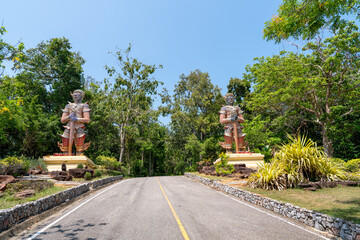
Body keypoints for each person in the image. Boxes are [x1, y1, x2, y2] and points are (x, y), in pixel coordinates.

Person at [58, 89, 91, 155]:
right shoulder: (68, 106)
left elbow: (87, 119)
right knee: (65, 146)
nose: (75, 96)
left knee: (79, 148)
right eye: (74, 94)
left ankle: (79, 161)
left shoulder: (84, 105)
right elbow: (62, 120)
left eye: (77, 94)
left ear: (81, 96)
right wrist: (69, 117)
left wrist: (76, 119)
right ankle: (65, 161)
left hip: (79, 127)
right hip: (68, 127)